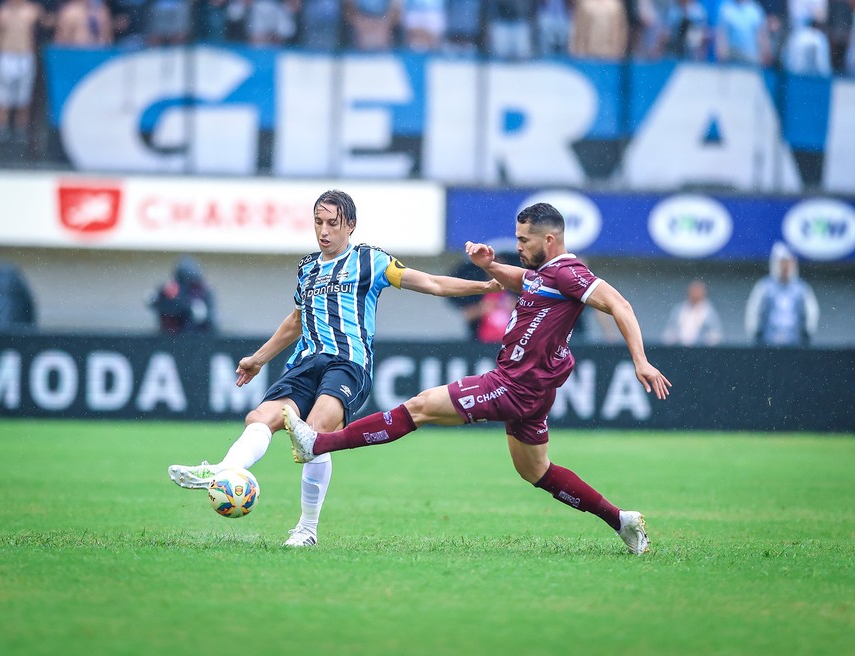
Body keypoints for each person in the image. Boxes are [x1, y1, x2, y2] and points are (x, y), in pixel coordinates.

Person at [282, 202, 672, 555]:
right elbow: (519, 279)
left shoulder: (571, 273)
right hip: (531, 391)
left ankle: (319, 442)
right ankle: (621, 521)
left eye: (524, 239)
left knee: (419, 407)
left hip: (514, 384)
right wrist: (488, 265)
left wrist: (640, 360)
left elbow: (619, 304)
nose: (517, 246)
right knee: (536, 471)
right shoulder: (546, 274)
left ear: (549, 240)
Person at [168, 190, 501, 547]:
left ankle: (306, 530)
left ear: (351, 226)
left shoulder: (371, 261)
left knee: (316, 433)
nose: (323, 231)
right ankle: (225, 471)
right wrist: (258, 358)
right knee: (260, 417)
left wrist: (484, 285)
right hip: (305, 361)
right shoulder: (307, 268)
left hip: (348, 362)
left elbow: (432, 283)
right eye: (318, 222)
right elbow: (296, 320)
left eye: (332, 223)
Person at [0, 0, 47, 141]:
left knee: (24, 99)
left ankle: (21, 132)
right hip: (5, 56)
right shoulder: (2, 12)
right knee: (1, 99)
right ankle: (0, 132)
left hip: (25, 56)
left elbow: (47, 24)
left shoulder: (32, 10)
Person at [745, 241, 820, 346]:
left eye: (788, 263)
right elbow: (754, 312)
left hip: (795, 345)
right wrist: (755, 334)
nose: (785, 267)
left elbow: (811, 314)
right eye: (782, 263)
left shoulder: (802, 289)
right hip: (768, 345)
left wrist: (807, 334)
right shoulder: (764, 287)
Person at [148, 256, 218, 335]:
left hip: (197, 337)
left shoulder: (203, 291)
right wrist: (166, 296)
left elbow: (209, 320)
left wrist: (193, 308)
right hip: (170, 337)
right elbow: (152, 302)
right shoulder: (170, 290)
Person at [663, 279, 723, 346]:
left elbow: (716, 334)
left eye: (698, 291)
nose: (695, 294)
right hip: (680, 348)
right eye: (693, 291)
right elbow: (669, 331)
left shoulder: (709, 312)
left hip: (701, 349)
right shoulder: (679, 309)